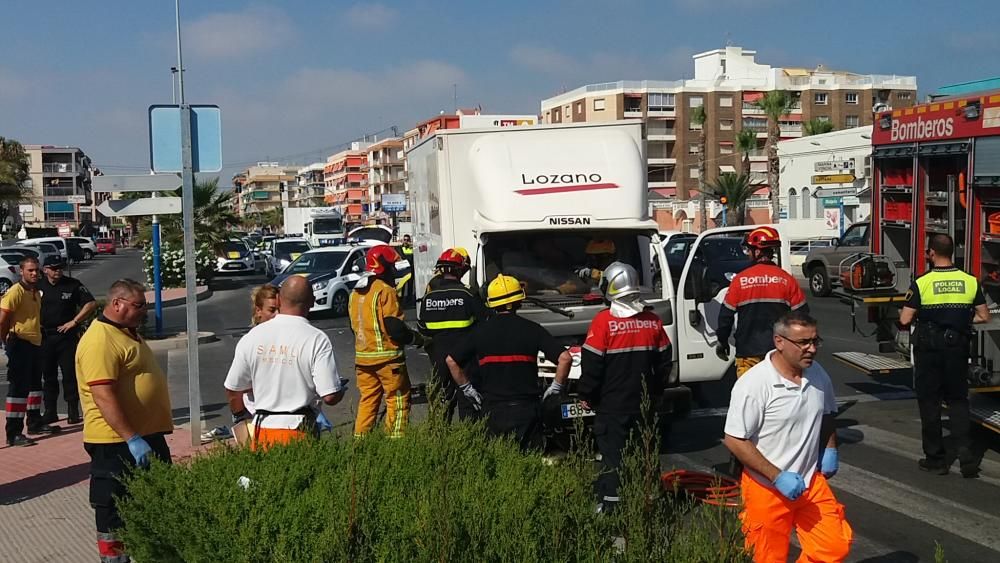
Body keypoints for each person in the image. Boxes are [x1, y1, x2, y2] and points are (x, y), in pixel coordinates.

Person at [724, 311, 851, 563]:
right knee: (767, 557)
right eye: (803, 343)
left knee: (834, 546)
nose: (812, 349)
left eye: (815, 341)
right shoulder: (754, 384)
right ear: (779, 342)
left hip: (810, 484)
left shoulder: (818, 375)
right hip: (766, 488)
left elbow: (827, 414)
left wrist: (830, 449)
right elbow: (735, 439)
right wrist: (777, 476)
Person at [77, 279, 173, 562]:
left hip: (145, 438)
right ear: (117, 304)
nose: (144, 310)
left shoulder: (127, 333)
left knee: (157, 506)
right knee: (113, 513)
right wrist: (131, 438)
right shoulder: (100, 340)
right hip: (116, 443)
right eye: (138, 305)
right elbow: (103, 395)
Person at [577, 262, 673, 513]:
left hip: (612, 405)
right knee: (646, 453)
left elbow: (592, 366)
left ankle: (611, 507)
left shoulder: (603, 322)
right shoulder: (652, 321)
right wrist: (656, 392)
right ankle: (651, 502)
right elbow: (665, 362)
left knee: (613, 457)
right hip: (644, 403)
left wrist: (586, 394)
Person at [446, 274, 572, 450]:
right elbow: (565, 358)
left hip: (492, 410)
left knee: (499, 461)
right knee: (530, 461)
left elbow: (451, 360)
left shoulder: (480, 332)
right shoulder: (532, 329)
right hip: (527, 410)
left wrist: (467, 389)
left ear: (491, 303)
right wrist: (556, 387)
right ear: (519, 300)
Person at [899, 233, 990, 478]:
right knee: (958, 401)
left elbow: (905, 318)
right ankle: (967, 458)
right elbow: (984, 316)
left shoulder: (922, 282)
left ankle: (936, 459)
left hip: (929, 350)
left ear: (931, 253)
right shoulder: (970, 281)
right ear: (951, 253)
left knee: (930, 403)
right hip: (957, 349)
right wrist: (960, 320)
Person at [224, 276, 345, 450]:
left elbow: (233, 389)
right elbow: (330, 396)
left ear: (279, 299)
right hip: (300, 429)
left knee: (263, 477)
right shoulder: (316, 339)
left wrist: (240, 418)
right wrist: (339, 389)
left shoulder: (252, 337)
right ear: (312, 302)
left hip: (262, 429)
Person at [351, 244, 425, 438]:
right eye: (391, 267)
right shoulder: (385, 290)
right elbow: (394, 327)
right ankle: (395, 444)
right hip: (388, 359)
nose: (394, 272)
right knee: (398, 400)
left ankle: (360, 444)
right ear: (384, 267)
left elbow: (355, 326)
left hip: (363, 359)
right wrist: (417, 339)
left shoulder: (355, 293)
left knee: (368, 400)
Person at [716, 226, 808, 377]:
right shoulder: (787, 279)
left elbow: (725, 317)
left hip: (748, 352)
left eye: (749, 250)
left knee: (749, 397)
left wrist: (722, 341)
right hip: (779, 352)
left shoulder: (740, 280)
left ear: (757, 251)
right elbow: (802, 317)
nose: (748, 254)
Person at [417, 248, 488, 420]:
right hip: (465, 359)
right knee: (468, 398)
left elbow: (422, 328)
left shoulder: (429, 297)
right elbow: (484, 323)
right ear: (459, 270)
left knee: (441, 402)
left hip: (438, 358)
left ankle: (440, 438)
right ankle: (470, 435)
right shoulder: (468, 294)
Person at [2, 256, 59, 446]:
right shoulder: (15, 292)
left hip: (35, 343)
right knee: (18, 388)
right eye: (30, 270)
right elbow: (3, 318)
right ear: (21, 271)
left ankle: (34, 422)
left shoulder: (34, 291)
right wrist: (5, 339)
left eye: (36, 270)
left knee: (35, 387)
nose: (34, 273)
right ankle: (13, 432)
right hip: (20, 344)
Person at [39, 255, 97, 425]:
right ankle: (50, 411)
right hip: (45, 337)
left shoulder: (72, 285)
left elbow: (90, 304)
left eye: (60, 268)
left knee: (70, 374)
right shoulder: (38, 287)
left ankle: (73, 410)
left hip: (66, 337)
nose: (58, 271)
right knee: (48, 376)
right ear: (46, 270)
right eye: (54, 268)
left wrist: (75, 321)